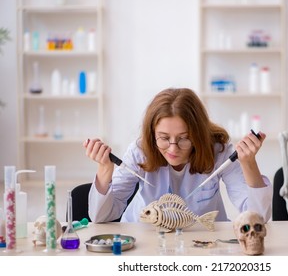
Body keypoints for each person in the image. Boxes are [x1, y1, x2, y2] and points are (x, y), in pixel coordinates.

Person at [84, 88, 272, 223]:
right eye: (164, 138)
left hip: (205, 243)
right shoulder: (140, 151)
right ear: (152, 135)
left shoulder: (218, 150)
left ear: (198, 134)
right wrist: (104, 169)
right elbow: (101, 217)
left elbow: (258, 217)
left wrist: (248, 163)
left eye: (184, 138)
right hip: (144, 241)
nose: (173, 149)